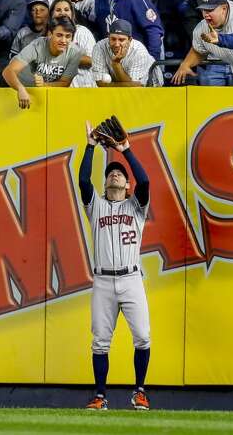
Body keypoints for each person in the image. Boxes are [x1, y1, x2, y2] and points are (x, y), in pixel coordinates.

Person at [78, 119, 152, 412]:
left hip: (132, 279)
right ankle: (100, 396)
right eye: (110, 174)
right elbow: (84, 182)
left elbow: (145, 182)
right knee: (100, 342)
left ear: (127, 183)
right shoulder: (95, 206)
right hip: (104, 282)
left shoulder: (137, 206)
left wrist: (126, 151)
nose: (115, 176)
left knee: (143, 337)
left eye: (119, 173)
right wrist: (90, 147)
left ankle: (140, 392)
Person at [4, 17, 86, 106]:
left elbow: (64, 83)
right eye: (59, 35)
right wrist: (20, 88)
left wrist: (44, 84)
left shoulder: (75, 52)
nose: (63, 41)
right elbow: (8, 71)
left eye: (68, 36)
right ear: (50, 34)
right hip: (14, 85)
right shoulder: (37, 46)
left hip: (38, 93)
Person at [92, 19, 158, 87]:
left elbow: (133, 89)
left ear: (129, 40)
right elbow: (99, 83)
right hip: (120, 88)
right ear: (108, 37)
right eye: (113, 39)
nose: (117, 44)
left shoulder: (139, 51)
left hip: (152, 86)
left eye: (121, 40)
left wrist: (116, 64)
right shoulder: (99, 47)